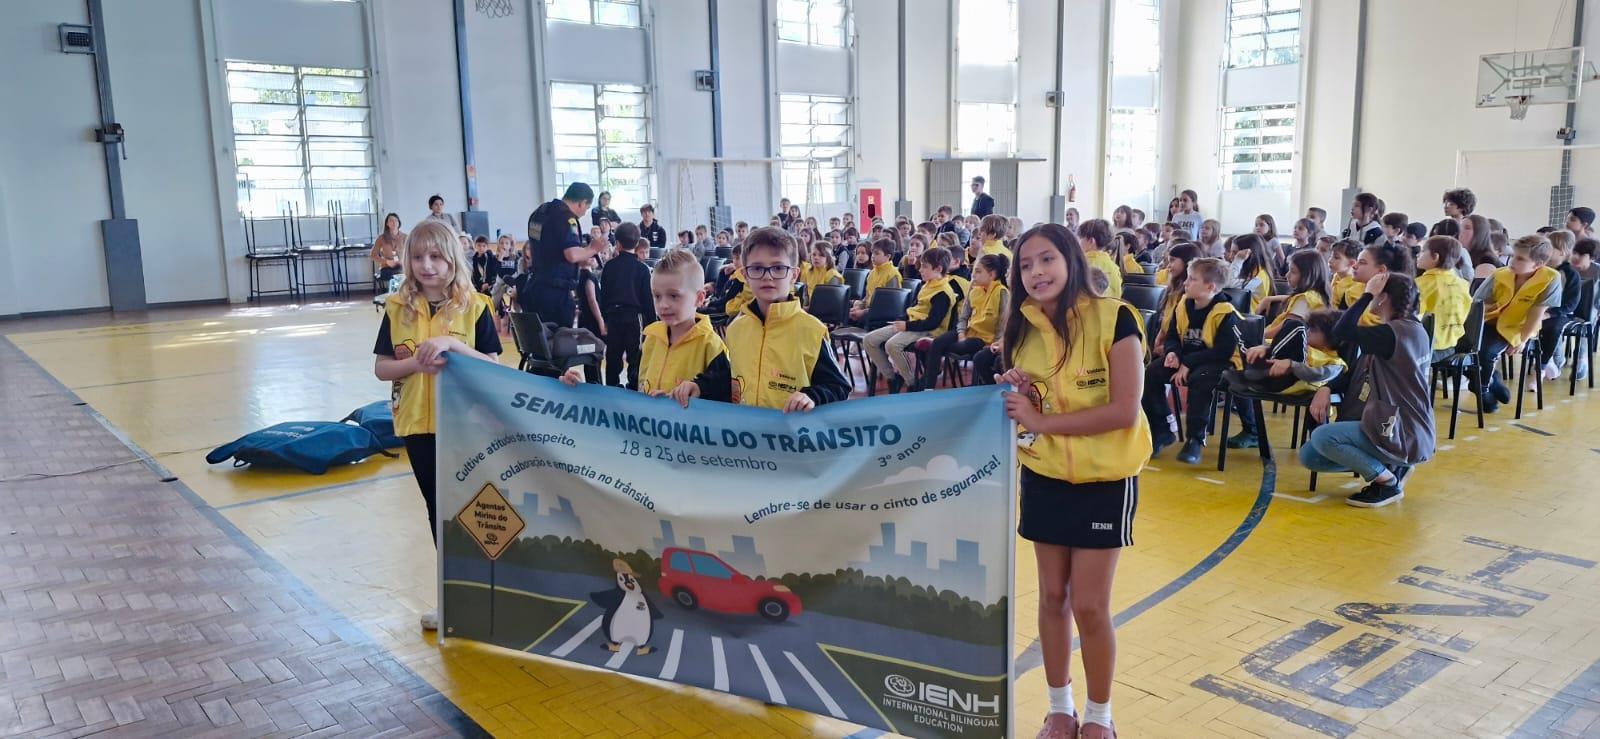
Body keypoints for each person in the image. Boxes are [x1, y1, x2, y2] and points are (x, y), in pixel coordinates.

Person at [997, 223, 1148, 739]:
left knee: (1089, 604)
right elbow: (1030, 412)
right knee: (1051, 599)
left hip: (1105, 480)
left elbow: (1124, 411)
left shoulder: (1116, 318)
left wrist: (1041, 421)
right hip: (1044, 477)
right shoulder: (1022, 329)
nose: (1036, 272)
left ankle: (1099, 716)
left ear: (1071, 259)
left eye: (1046, 259)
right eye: (1025, 265)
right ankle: (1059, 709)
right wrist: (1017, 392)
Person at [372, 220, 501, 631]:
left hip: (465, 428)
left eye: (436, 257)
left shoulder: (476, 306)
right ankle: (453, 598)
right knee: (438, 511)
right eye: (417, 257)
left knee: (474, 513)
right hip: (418, 427)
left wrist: (454, 345)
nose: (426, 265)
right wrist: (416, 363)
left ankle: (490, 593)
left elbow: (494, 367)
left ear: (453, 260)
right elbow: (382, 368)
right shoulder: (397, 308)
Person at [1302, 273, 1434, 508]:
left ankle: (1387, 482)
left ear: (1383, 298)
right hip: (1407, 427)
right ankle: (1394, 467)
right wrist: (1327, 388)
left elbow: (1341, 330)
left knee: (1323, 437)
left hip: (1401, 429)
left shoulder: (1392, 333)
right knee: (1311, 455)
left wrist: (1367, 295)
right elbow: (1355, 372)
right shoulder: (1410, 329)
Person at [725, 227, 849, 411]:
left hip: (792, 428)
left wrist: (811, 396)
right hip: (745, 428)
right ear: (745, 276)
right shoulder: (735, 329)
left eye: (778, 268)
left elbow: (838, 387)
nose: (767, 276)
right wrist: (700, 387)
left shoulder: (812, 332)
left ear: (794, 274)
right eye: (757, 268)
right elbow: (726, 378)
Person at [1143, 257, 1241, 465]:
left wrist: (1187, 363)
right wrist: (1173, 353)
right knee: (1150, 373)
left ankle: (1195, 439)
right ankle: (1161, 429)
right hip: (1186, 357)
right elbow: (1172, 335)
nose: (1186, 283)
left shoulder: (1226, 312)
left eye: (1192, 279)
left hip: (1215, 362)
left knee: (1200, 380)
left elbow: (1222, 351)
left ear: (1210, 287)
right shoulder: (1183, 304)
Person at [1230, 250, 1332, 449]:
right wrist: (1272, 299)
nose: (1286, 275)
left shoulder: (1306, 299)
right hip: (1299, 354)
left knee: (1237, 361)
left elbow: (1285, 331)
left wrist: (1258, 333)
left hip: (1295, 357)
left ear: (1308, 275)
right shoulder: (1314, 295)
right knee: (1238, 359)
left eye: (1293, 271)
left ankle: (1251, 429)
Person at [1472, 234, 1561, 413]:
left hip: (1517, 327)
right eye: (1513, 256)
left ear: (1538, 264)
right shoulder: (1499, 274)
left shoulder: (1551, 278)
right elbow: (1478, 303)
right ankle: (1491, 381)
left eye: (1520, 259)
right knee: (1461, 348)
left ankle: (1482, 390)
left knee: (1486, 352)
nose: (1512, 261)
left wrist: (1522, 339)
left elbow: (1537, 313)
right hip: (1489, 321)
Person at [917, 252, 1008, 390]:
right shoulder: (974, 290)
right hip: (968, 331)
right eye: (974, 271)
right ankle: (927, 388)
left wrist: (995, 343)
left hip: (984, 339)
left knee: (952, 347)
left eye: (978, 272)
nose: (973, 275)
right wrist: (961, 333)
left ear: (991, 274)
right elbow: (963, 317)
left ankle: (936, 344)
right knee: (938, 343)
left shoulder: (1001, 292)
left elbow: (1003, 324)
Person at [528, 182, 605, 327]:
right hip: (555, 293)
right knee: (560, 338)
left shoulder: (539, 213)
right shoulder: (566, 218)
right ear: (582, 203)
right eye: (587, 208)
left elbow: (544, 248)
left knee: (539, 338)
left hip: (536, 286)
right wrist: (593, 249)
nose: (584, 213)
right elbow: (572, 254)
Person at [599, 223, 655, 390]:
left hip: (613, 317)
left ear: (617, 244)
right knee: (635, 356)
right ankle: (633, 388)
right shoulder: (643, 269)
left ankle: (611, 388)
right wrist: (652, 324)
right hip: (634, 318)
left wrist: (604, 319)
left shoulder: (609, 266)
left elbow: (604, 296)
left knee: (613, 356)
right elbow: (648, 301)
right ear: (637, 244)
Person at [1415, 236, 1473, 362]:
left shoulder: (1421, 284)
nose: (1418, 255)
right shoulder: (1463, 284)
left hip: (1426, 349)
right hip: (1451, 346)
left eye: (1423, 251)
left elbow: (1411, 316)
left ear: (1435, 257)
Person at [1538, 231, 1583, 380]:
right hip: (1541, 310)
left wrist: (1550, 313)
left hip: (1561, 314)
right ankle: (1543, 357)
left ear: (1562, 252)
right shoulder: (1541, 269)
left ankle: (1544, 364)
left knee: (1552, 326)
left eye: (1550, 247)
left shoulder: (1571, 274)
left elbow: (1571, 304)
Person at [849, 239, 902, 322]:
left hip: (881, 318)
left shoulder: (892, 274)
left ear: (888, 256)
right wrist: (858, 307)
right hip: (869, 313)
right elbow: (867, 298)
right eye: (872, 253)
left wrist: (863, 313)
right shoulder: (872, 273)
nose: (873, 256)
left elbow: (888, 306)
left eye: (877, 253)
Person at [1077, 219, 1122, 299]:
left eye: (1080, 239)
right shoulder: (1113, 266)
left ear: (1091, 241)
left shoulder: (1083, 265)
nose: (1078, 243)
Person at [1329, 239, 1365, 310]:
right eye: (1331, 256)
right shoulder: (1336, 276)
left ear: (1352, 263)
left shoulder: (1355, 288)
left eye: (1336, 258)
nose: (1330, 260)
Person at [371, 213, 405, 286]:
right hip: (387, 268)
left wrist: (402, 261)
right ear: (387, 224)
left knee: (403, 273)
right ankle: (395, 291)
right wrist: (386, 261)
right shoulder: (381, 238)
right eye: (391, 220)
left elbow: (412, 254)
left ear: (399, 223)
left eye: (396, 220)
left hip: (401, 267)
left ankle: (399, 291)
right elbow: (373, 255)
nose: (394, 222)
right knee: (396, 276)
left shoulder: (405, 237)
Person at [1461, 214, 1498, 279]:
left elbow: (1478, 285)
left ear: (1479, 233)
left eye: (1467, 228)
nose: (1461, 231)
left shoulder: (1487, 260)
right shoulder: (1463, 254)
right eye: (1460, 227)